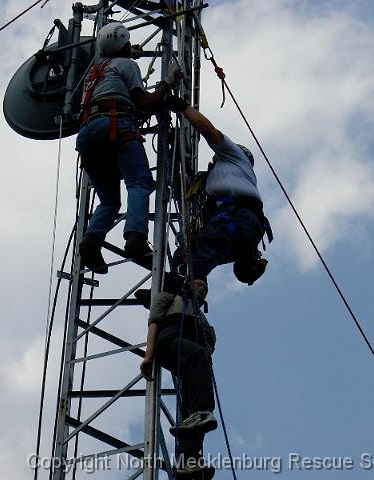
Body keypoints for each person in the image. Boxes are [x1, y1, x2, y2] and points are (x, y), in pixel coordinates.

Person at [75, 22, 181, 273]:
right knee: (140, 182)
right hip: (114, 126)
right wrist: (168, 82)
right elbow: (147, 102)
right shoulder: (127, 65)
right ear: (123, 44)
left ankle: (91, 241)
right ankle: (135, 237)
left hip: (88, 135)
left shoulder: (93, 72)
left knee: (110, 201)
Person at [165, 95, 273, 287]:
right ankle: (184, 294)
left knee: (199, 257)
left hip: (236, 219)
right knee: (187, 257)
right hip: (237, 227)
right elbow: (182, 187)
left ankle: (185, 286)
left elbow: (209, 132)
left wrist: (183, 108)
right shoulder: (212, 181)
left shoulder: (235, 156)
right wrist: (175, 147)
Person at [140, 279, 216, 479]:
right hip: (171, 341)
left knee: (191, 403)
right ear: (187, 284)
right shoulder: (169, 298)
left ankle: (188, 458)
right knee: (200, 406)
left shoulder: (203, 321)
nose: (202, 290)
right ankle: (200, 412)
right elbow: (154, 324)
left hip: (190, 356)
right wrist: (148, 357)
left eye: (205, 289)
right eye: (198, 285)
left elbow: (209, 347)